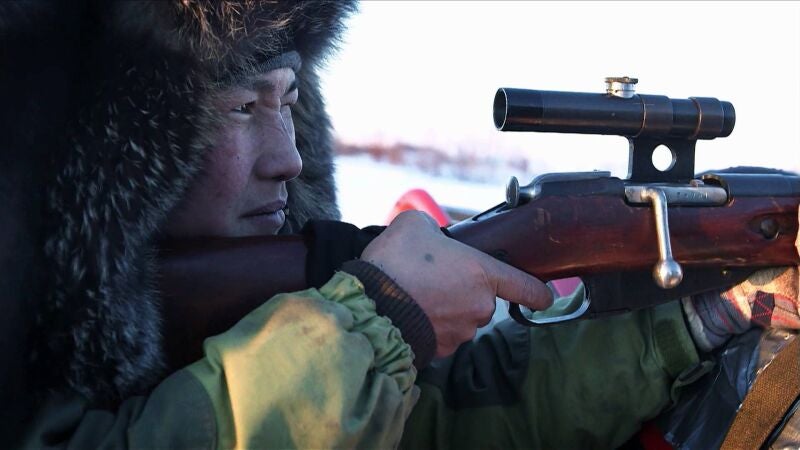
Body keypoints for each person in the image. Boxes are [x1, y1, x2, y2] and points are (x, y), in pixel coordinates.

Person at [1, 1, 797, 448]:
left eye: (289, 102)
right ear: (111, 148)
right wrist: (376, 318)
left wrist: (711, 315)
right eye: (240, 108)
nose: (285, 159)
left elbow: (449, 422)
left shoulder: (270, 301)